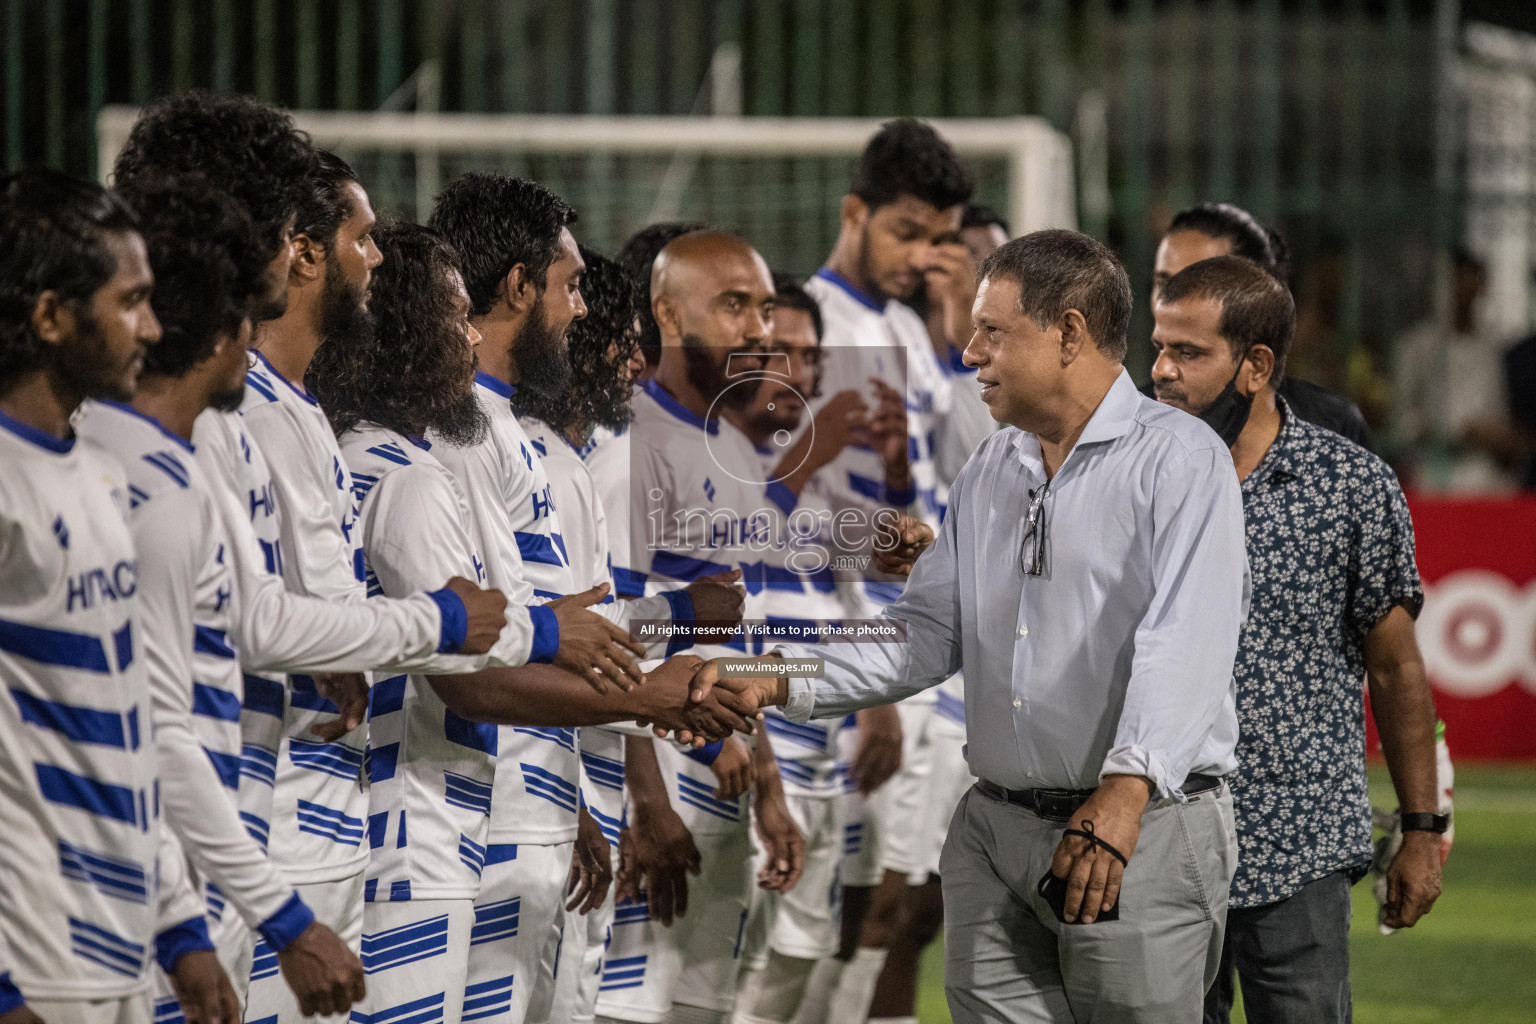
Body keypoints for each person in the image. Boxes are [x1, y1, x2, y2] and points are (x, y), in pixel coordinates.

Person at [704, 229, 1250, 1024]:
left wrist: (1125, 794)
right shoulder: (993, 468)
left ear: (1068, 331)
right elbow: (921, 633)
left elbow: (1188, 641)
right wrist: (770, 675)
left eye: (992, 331)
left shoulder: (1180, 460)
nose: (969, 353)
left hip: (1138, 831)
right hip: (995, 833)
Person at [305, 222, 751, 1024]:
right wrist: (657, 679)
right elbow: (476, 662)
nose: (470, 334)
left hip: (499, 810)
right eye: (452, 316)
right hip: (418, 826)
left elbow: (526, 623)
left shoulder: (479, 445)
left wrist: (571, 793)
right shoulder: (425, 465)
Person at [428, 174, 747, 1024]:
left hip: (537, 807)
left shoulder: (529, 446)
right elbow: (481, 660)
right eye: (572, 292)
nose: (585, 322)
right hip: (459, 823)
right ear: (519, 287)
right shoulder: (465, 441)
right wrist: (670, 660)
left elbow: (565, 631)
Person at [78, 174, 380, 1023]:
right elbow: (235, 648)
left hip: (219, 854)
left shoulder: (212, 439)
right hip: (165, 882)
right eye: (128, 301)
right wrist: (484, 627)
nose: (144, 326)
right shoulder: (153, 467)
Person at [1149, 255, 1443, 1023]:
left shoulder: (1350, 485)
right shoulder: (1131, 478)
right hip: (1158, 832)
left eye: (1187, 353)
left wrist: (1421, 828)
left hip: (1299, 838)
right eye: (1158, 348)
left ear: (1256, 367)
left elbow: (1396, 665)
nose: (1161, 372)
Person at [0, 168, 223, 1024]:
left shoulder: (93, 473)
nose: (154, 328)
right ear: (51, 316)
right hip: (37, 962)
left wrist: (178, 927)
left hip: (122, 951)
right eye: (130, 302)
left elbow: (129, 719)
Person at [593, 231, 805, 1024]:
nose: (758, 329)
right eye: (733, 305)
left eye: (765, 307)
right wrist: (645, 804)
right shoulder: (629, 455)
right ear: (669, 316)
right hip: (657, 792)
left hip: (729, 783)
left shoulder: (733, 451)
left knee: (702, 1009)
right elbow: (604, 643)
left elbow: (737, 645)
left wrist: (772, 791)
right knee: (633, 1009)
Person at [797, 117, 972, 1024]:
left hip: (930, 648)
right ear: (853, 211)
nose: (921, 255)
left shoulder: (907, 325)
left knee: (904, 904)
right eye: (907, 232)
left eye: (939, 238)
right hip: (859, 643)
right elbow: (804, 506)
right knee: (841, 900)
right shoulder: (809, 325)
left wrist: (948, 334)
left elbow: (941, 474)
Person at [1151, 202, 1375, 451]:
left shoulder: (1333, 426)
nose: (1174, 302)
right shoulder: (1132, 428)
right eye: (1165, 284)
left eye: (1203, 286)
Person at [1392, 246, 1527, 492]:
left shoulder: (1492, 348)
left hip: (1486, 477)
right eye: (1460, 283)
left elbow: (1500, 414)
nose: (1466, 294)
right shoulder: (1419, 346)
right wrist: (1451, 432)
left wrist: (1495, 435)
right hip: (1435, 473)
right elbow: (1402, 420)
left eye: (1473, 285)